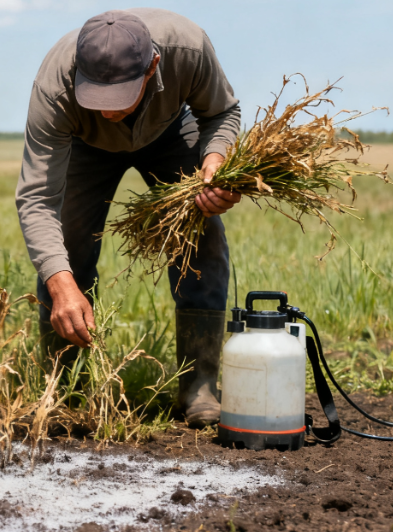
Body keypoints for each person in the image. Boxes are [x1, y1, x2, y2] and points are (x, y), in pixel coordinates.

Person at [14, 8, 242, 427]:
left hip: (169, 131)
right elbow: (37, 197)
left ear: (152, 66)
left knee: (201, 238)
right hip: (84, 145)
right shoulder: (55, 84)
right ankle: (63, 391)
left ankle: (199, 387)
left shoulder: (188, 49)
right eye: (95, 98)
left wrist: (216, 161)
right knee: (66, 249)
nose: (107, 111)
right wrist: (60, 285)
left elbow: (222, 113)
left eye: (118, 98)